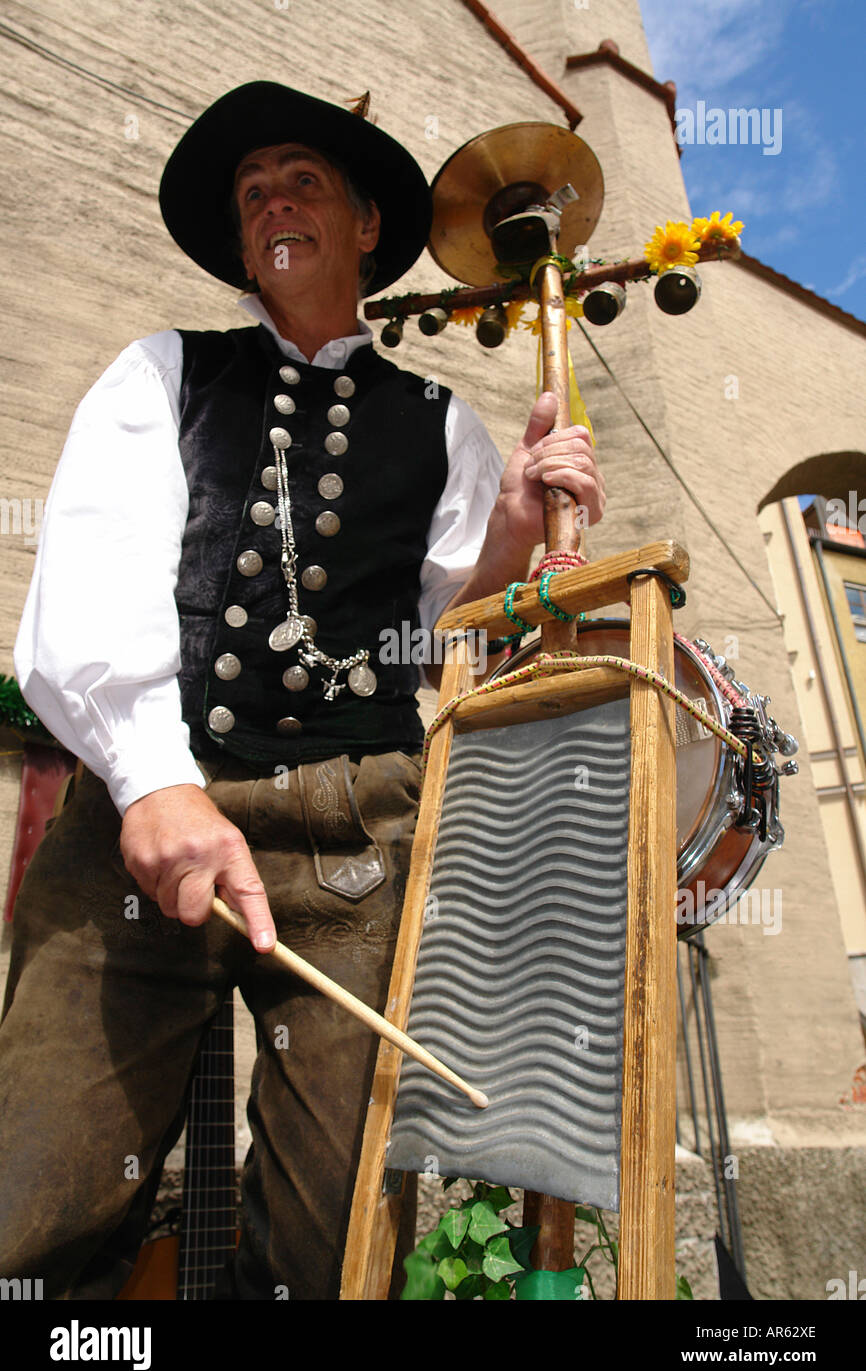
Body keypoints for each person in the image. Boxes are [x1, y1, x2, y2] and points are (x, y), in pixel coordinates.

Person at [0, 83, 604, 1300]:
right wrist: (156, 783)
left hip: (354, 837)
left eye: (301, 180)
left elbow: (434, 632)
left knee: (331, 1253)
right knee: (33, 1207)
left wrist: (513, 536)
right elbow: (95, 566)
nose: (272, 202)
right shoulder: (163, 372)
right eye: (251, 192)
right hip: (148, 814)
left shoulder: (442, 424)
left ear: (367, 223)